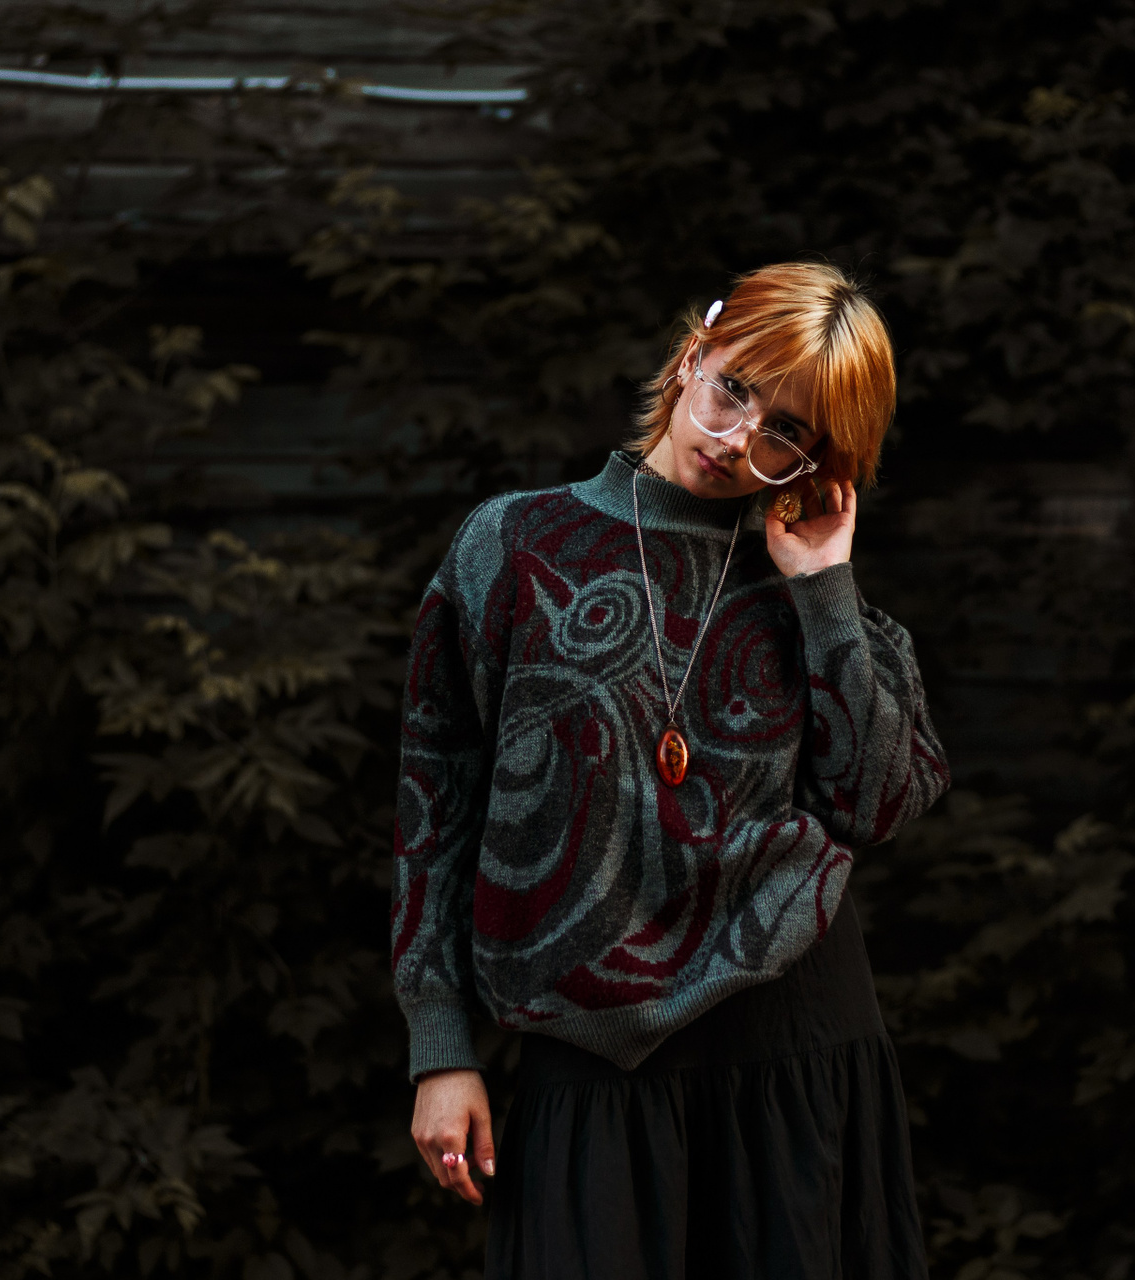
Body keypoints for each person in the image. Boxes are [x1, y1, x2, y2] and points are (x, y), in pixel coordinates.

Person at [391, 261, 950, 1279]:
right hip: (588, 1055)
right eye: (734, 390)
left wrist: (824, 586)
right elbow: (436, 802)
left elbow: (874, 802)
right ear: (696, 352)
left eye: (786, 432)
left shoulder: (813, 590)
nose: (738, 439)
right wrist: (442, 1044)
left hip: (794, 1047)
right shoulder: (514, 545)